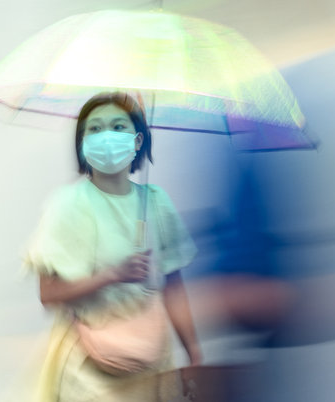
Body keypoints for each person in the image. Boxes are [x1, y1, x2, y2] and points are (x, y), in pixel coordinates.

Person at [23, 92, 202, 402]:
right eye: (95, 129)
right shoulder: (68, 204)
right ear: (82, 144)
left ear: (138, 141)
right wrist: (113, 275)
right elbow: (49, 294)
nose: (106, 136)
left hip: (150, 361)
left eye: (119, 127)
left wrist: (194, 357)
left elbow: (174, 287)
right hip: (89, 368)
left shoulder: (155, 202)